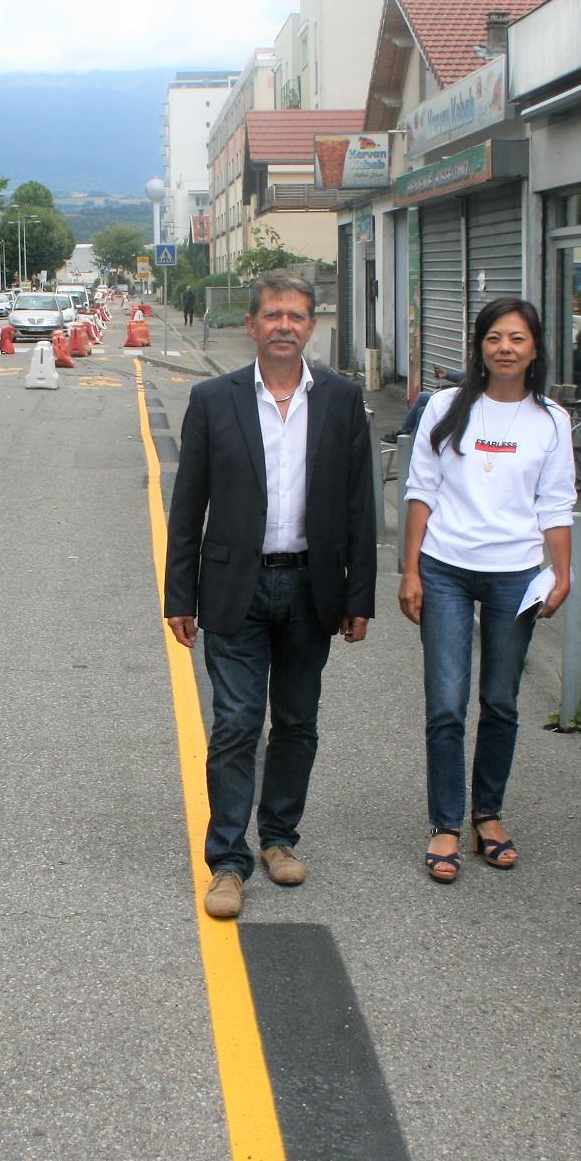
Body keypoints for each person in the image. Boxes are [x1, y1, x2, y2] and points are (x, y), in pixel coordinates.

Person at [165, 269, 377, 920]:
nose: (285, 325)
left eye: (296, 316)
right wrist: (179, 594)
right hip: (234, 587)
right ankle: (227, 862)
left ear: (312, 326)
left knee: (297, 723)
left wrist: (358, 596)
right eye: (273, 315)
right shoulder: (214, 399)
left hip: (312, 588)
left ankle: (279, 839)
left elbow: (359, 505)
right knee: (233, 724)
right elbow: (188, 502)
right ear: (252, 325)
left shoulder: (341, 400)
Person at [398, 299, 575, 880]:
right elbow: (420, 488)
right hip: (445, 567)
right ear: (479, 347)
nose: (505, 348)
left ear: (534, 349)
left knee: (500, 701)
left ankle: (488, 816)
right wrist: (410, 569)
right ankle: (446, 824)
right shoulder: (445, 408)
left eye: (517, 338)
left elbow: (555, 504)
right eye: (494, 337)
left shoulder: (550, 419)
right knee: (447, 704)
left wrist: (562, 572)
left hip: (516, 576)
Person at [385, 367, 464, 442]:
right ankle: (406, 437)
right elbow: (466, 375)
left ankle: (406, 436)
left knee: (422, 402)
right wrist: (446, 374)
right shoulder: (474, 368)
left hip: (460, 406)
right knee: (421, 408)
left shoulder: (476, 370)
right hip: (456, 401)